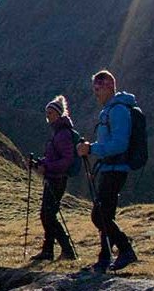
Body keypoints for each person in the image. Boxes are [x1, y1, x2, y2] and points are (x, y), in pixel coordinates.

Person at [76, 69, 139, 273]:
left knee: (99, 215)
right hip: (109, 167)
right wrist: (91, 148)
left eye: (98, 88)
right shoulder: (110, 110)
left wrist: (92, 149)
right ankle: (104, 257)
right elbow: (109, 142)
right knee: (106, 214)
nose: (96, 93)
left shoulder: (118, 110)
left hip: (116, 168)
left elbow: (119, 144)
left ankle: (126, 249)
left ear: (110, 85)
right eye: (94, 88)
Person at [31, 95, 78, 261]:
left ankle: (66, 250)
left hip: (57, 179)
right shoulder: (59, 132)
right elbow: (56, 157)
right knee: (47, 214)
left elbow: (66, 160)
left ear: (58, 114)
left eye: (50, 113)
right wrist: (41, 162)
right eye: (47, 113)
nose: (48, 116)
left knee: (48, 215)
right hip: (54, 177)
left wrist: (46, 167)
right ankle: (49, 251)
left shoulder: (62, 134)